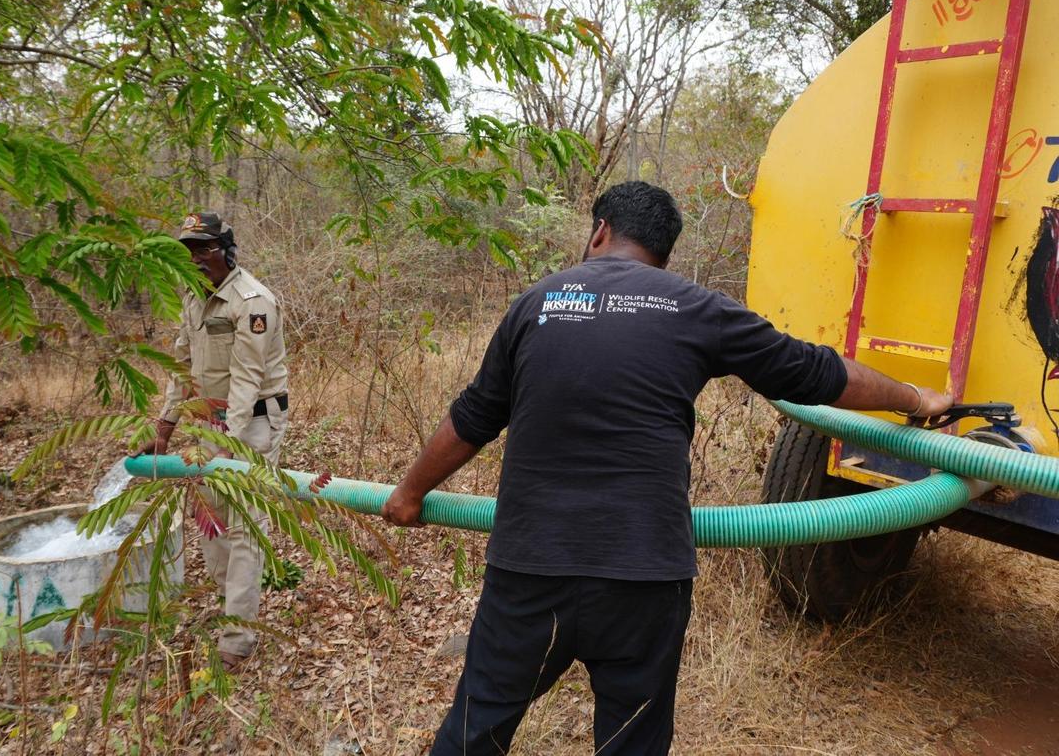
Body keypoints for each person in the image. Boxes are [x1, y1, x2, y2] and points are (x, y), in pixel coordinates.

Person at [380, 181, 951, 755]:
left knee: (475, 731)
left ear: (599, 230)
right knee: (632, 742)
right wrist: (913, 398)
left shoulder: (539, 301)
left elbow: (475, 415)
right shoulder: (698, 308)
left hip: (531, 570)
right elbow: (817, 373)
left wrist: (409, 493)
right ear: (665, 251)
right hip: (644, 578)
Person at [137, 211, 290, 670]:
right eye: (187, 251)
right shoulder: (192, 300)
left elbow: (247, 378)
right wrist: (164, 431)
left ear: (226, 249)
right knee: (210, 516)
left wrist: (232, 446)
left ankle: (239, 637)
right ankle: (231, 607)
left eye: (204, 249)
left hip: (256, 423)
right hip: (207, 423)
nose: (196, 259)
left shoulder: (253, 302)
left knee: (244, 522)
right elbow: (181, 371)